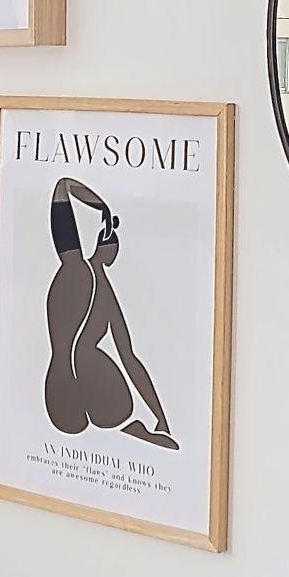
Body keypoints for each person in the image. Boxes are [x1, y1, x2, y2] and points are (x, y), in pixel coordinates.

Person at [42, 178, 176, 450]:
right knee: (91, 360)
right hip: (100, 399)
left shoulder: (72, 271)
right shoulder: (82, 273)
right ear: (104, 242)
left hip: (59, 398)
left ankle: (129, 430)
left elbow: (62, 187)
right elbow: (129, 358)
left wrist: (160, 414)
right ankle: (131, 428)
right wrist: (159, 417)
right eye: (112, 236)